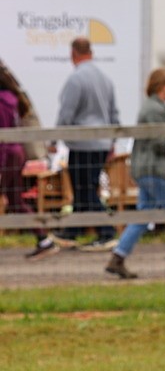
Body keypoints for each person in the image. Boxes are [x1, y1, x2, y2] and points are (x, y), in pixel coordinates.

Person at [105, 68, 165, 279]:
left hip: (147, 169)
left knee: (144, 214)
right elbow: (159, 142)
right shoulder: (154, 110)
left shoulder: (155, 108)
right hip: (156, 169)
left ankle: (118, 257)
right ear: (161, 85)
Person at [54, 37, 119, 248]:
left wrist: (54, 139)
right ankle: (73, 230)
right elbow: (113, 113)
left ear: (73, 53)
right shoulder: (106, 79)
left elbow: (66, 113)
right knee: (86, 187)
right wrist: (113, 142)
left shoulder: (76, 79)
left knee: (84, 188)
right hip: (102, 142)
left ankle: (107, 231)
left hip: (82, 144)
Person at [0, 66, 58, 259]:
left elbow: (3, 135)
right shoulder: (12, 98)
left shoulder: (2, 101)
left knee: (15, 199)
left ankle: (44, 239)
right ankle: (44, 239)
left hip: (7, 154)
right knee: (16, 200)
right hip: (15, 153)